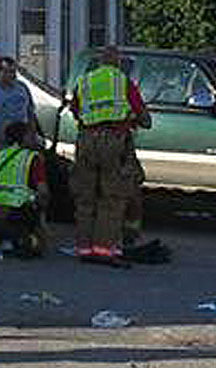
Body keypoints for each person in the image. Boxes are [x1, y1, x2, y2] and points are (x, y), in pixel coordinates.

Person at [70, 45, 151, 266]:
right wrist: (137, 120)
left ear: (99, 62)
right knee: (112, 196)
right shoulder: (122, 81)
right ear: (117, 62)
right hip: (113, 141)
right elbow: (143, 116)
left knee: (85, 196)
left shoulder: (84, 82)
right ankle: (104, 250)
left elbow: (75, 109)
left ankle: (84, 248)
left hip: (86, 140)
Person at [0, 121, 49, 258]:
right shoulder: (33, 158)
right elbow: (43, 191)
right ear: (24, 138)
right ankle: (27, 239)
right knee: (39, 241)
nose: (35, 138)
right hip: (14, 216)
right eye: (32, 135)